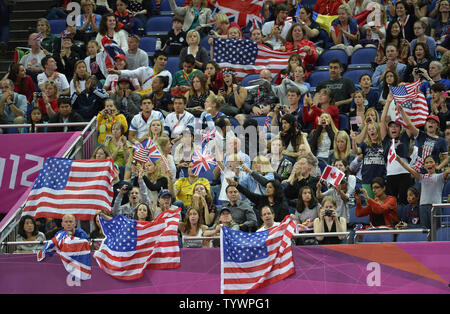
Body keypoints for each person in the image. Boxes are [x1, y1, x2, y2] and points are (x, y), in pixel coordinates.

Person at [380, 94, 418, 205]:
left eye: (396, 126)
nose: (393, 128)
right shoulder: (386, 140)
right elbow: (382, 121)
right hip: (391, 175)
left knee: (404, 202)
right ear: (389, 129)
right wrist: (388, 102)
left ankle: (405, 221)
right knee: (391, 203)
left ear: (400, 129)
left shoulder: (404, 138)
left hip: (405, 174)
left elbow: (409, 124)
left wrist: (402, 110)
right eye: (391, 126)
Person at [396, 154, 450, 230]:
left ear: (436, 164)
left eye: (431, 162)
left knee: (437, 230)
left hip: (435, 207)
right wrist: (399, 161)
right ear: (424, 166)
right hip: (423, 207)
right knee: (425, 230)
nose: (429, 164)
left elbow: (447, 171)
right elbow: (409, 169)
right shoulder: (422, 177)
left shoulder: (440, 176)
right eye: (426, 163)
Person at [352, 120, 386, 199]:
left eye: (373, 129)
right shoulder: (365, 144)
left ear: (378, 130)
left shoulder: (384, 144)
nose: (371, 131)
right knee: (369, 204)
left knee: (380, 204)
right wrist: (353, 140)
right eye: (369, 129)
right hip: (367, 179)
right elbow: (356, 151)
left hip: (381, 179)